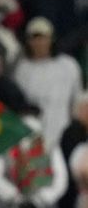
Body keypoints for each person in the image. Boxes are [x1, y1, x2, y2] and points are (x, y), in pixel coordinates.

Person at [13, 17, 82, 149]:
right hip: (34, 133)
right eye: (34, 38)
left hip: (63, 129)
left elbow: (77, 99)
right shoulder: (22, 68)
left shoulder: (68, 65)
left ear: (51, 39)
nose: (39, 43)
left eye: (43, 38)